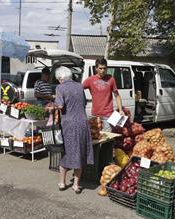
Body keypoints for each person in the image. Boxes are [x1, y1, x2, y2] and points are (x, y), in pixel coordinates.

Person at [47, 66, 94, 194]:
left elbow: (60, 105)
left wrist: (51, 106)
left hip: (69, 125)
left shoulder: (60, 88)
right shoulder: (79, 86)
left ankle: (62, 182)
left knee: (67, 152)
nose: (58, 81)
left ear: (61, 78)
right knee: (80, 153)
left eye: (58, 79)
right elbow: (84, 103)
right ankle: (76, 185)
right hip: (83, 123)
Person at [82, 57, 124, 131]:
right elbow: (78, 89)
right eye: (100, 68)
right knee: (96, 137)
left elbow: (117, 95)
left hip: (108, 115)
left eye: (105, 68)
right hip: (95, 115)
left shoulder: (111, 79)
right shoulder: (90, 80)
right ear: (96, 68)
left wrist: (120, 110)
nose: (103, 70)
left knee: (108, 138)